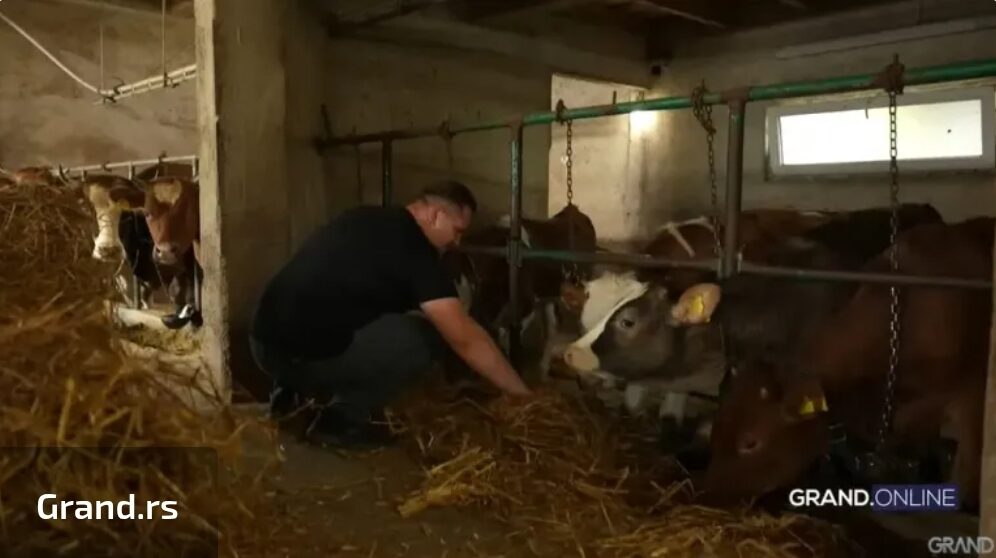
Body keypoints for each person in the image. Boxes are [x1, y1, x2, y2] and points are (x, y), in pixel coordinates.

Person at [249, 180, 532, 450]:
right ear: (436, 215)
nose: (457, 242)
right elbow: (464, 339)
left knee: (333, 316)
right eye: (457, 231)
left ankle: (289, 400)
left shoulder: (363, 217)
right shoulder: (415, 248)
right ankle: (341, 421)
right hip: (302, 357)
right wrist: (522, 396)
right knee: (425, 339)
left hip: (263, 344)